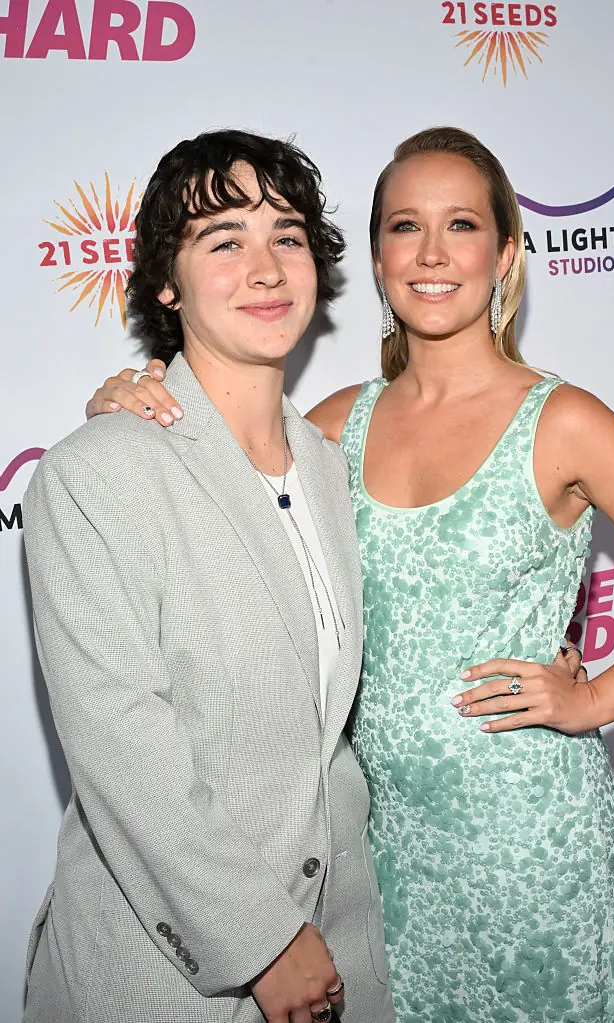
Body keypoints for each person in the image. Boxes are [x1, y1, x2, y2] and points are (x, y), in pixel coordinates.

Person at [83, 127, 614, 1023]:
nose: (432, 254)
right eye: (404, 227)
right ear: (380, 255)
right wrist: (124, 398)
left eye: (462, 224)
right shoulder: (331, 428)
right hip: (383, 863)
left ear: (505, 252)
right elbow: (204, 480)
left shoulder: (565, 421)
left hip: (537, 854)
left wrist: (594, 700)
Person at [22, 130, 396, 1023]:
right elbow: (122, 742)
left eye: (289, 236)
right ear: (167, 282)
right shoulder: (96, 470)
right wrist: (262, 939)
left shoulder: (336, 466)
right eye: (224, 241)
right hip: (160, 976)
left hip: (344, 953)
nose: (266, 267)